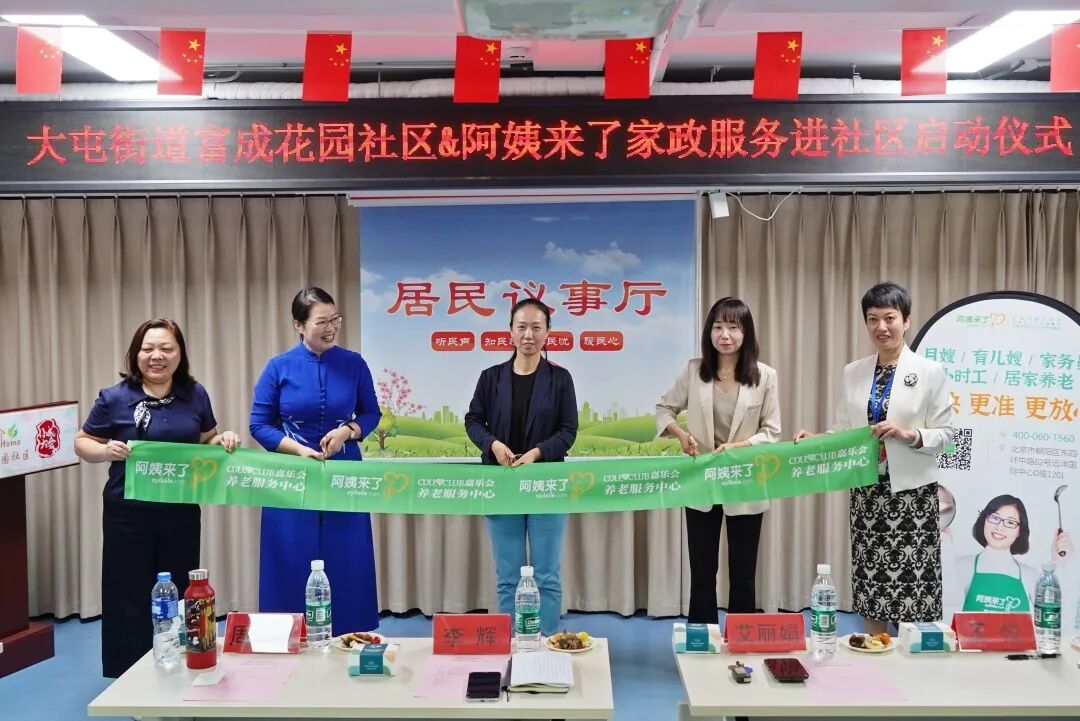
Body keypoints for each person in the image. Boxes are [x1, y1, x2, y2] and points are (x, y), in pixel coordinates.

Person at [74, 318, 241, 678]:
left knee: (180, 592)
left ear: (180, 354)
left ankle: (180, 665)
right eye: (148, 349)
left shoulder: (195, 394)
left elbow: (207, 440)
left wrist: (223, 439)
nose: (157, 356)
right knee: (128, 593)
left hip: (180, 510)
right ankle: (128, 675)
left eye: (166, 348)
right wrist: (104, 451)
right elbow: (82, 442)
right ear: (136, 354)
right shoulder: (114, 397)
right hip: (126, 512)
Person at [795, 282, 954, 633]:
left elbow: (946, 436)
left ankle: (912, 656)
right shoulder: (853, 371)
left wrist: (909, 434)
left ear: (906, 320)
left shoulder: (930, 371)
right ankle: (875, 647)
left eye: (889, 318)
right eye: (872, 319)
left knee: (913, 587)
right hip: (867, 491)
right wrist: (816, 440)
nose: (881, 327)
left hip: (912, 495)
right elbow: (845, 429)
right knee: (871, 581)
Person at [250, 287, 381, 633]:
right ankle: (287, 634)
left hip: (343, 470)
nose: (331, 328)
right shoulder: (278, 367)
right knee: (290, 552)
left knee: (348, 553)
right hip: (291, 474)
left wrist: (347, 432)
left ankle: (350, 634)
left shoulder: (354, 363)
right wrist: (298, 450)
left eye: (335, 319)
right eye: (321, 321)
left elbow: (371, 413)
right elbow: (259, 425)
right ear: (299, 324)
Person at [656, 297, 781, 623]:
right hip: (702, 481)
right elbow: (665, 408)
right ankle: (703, 638)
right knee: (701, 572)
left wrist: (738, 446)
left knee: (743, 574)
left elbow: (772, 432)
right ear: (709, 332)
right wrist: (680, 434)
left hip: (745, 482)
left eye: (733, 327)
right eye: (718, 327)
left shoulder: (765, 376)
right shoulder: (694, 370)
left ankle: (740, 639)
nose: (725, 335)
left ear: (746, 332)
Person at [464, 298, 578, 636]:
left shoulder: (560, 379)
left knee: (546, 575)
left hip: (546, 484)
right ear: (511, 332)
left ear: (548, 332)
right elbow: (473, 421)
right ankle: (513, 644)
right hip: (502, 485)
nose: (529, 334)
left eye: (536, 327)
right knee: (509, 576)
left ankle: (547, 643)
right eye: (522, 327)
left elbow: (568, 431)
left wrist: (538, 453)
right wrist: (493, 445)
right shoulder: (491, 378)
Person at [955, 494, 1073, 613]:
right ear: (984, 520)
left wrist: (1059, 562)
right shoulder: (960, 566)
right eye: (995, 518)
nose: (999, 527)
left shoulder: (1031, 576)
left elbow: (1053, 614)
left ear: (1019, 532)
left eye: (1010, 522)